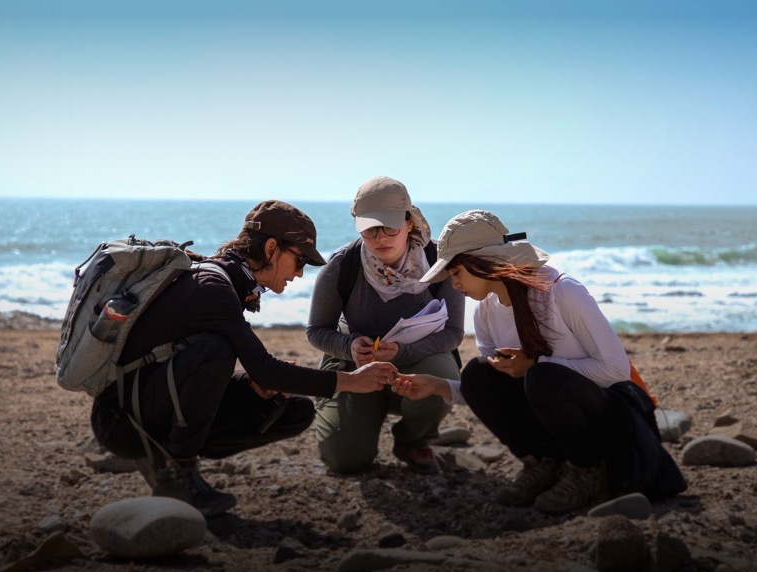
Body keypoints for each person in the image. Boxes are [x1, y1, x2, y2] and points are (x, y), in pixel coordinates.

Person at [89, 200, 398, 517]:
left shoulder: (228, 284)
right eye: (300, 259)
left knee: (291, 411)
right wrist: (350, 381)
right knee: (219, 349)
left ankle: (177, 459)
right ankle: (177, 473)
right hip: (121, 418)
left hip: (148, 404)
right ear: (272, 248)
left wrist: (251, 387)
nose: (301, 273)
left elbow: (208, 371)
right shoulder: (214, 287)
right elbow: (264, 369)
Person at [390, 209, 667, 514]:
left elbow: (617, 370)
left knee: (542, 377)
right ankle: (543, 465)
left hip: (611, 420)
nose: (453, 284)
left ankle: (587, 471)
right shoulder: (485, 313)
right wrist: (439, 387)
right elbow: (494, 394)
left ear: (482, 262)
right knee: (478, 373)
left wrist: (536, 365)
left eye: (456, 272)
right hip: (558, 415)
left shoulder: (562, 291)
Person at [306, 176, 465, 475]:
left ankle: (413, 440)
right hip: (353, 367)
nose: (381, 238)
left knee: (443, 374)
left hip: (418, 362)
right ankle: (364, 415)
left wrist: (402, 353)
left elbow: (454, 333)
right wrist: (349, 345)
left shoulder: (440, 261)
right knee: (344, 461)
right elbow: (316, 330)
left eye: (390, 227)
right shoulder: (342, 265)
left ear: (409, 222)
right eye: (369, 229)